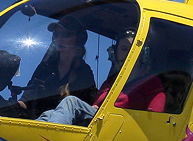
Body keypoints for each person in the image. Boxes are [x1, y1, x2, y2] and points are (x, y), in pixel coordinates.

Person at [37, 30, 165, 126]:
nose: (129, 53)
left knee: (71, 102)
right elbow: (95, 107)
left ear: (143, 54)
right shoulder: (111, 82)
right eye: (124, 49)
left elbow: (154, 121)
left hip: (121, 126)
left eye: (133, 49)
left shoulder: (152, 83)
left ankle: (51, 139)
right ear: (115, 53)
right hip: (101, 122)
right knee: (49, 114)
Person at [17, 16, 96, 117]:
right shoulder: (45, 67)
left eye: (66, 34)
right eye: (56, 34)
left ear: (79, 39)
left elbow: (85, 108)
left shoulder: (84, 72)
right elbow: (26, 100)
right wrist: (10, 107)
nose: (59, 39)